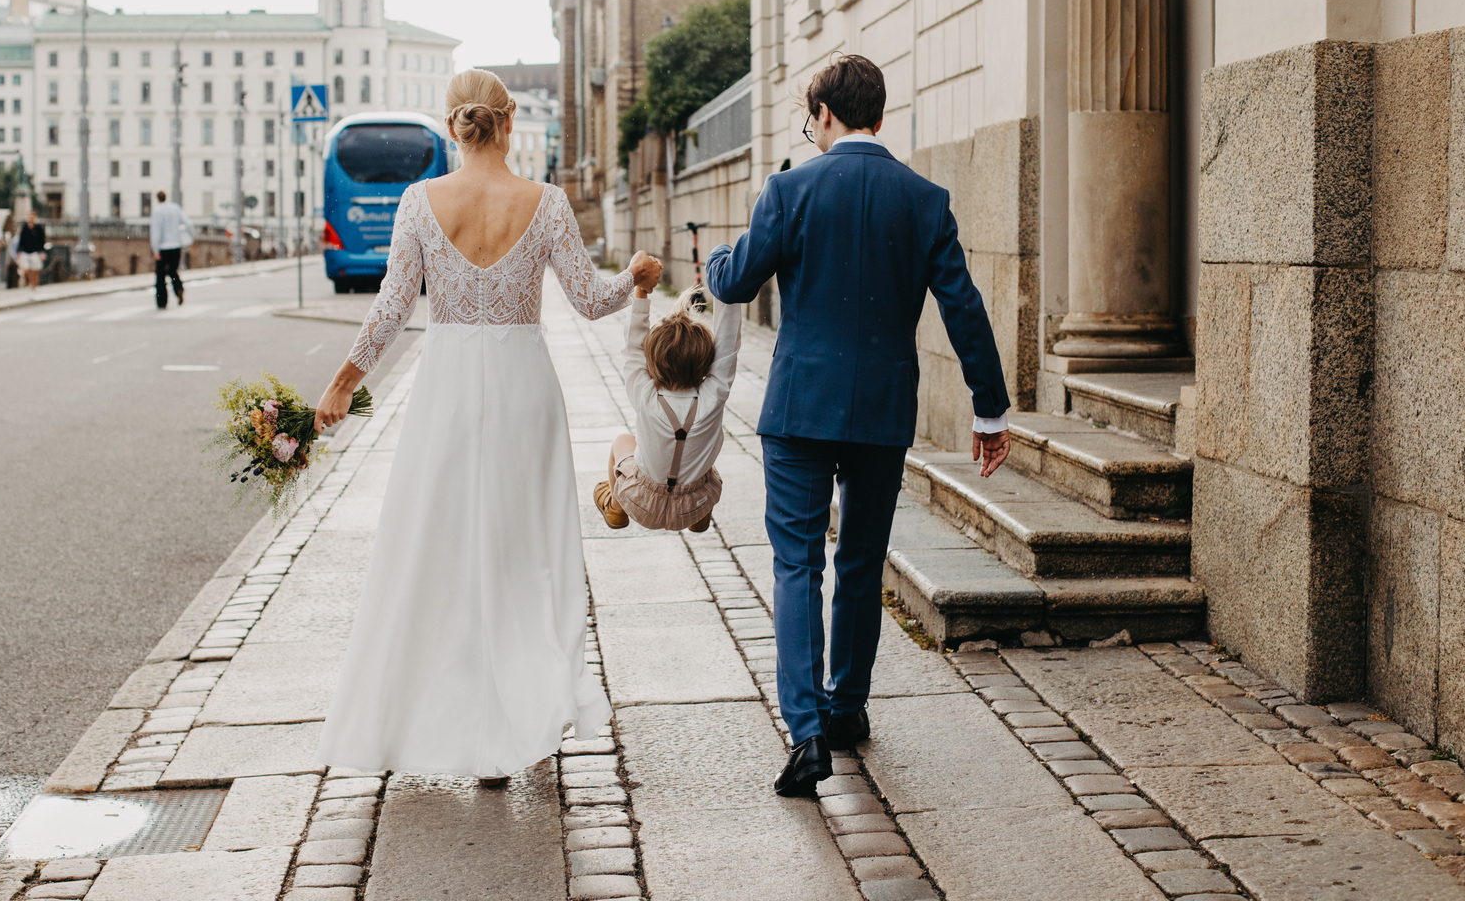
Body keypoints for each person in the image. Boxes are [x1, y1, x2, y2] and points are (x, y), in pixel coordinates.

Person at [311, 68, 659, 785]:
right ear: (507, 125)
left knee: (437, 550)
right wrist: (637, 278)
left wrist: (344, 382)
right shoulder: (548, 202)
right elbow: (592, 302)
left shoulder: (419, 201)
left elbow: (389, 310)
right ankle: (520, 719)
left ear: (452, 127)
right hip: (522, 387)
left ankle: (445, 717)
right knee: (521, 552)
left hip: (446, 388)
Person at [706, 53, 1012, 798]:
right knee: (860, 561)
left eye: (810, 117)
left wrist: (713, 259)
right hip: (880, 409)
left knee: (795, 564)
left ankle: (807, 733)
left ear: (823, 116)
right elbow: (963, 306)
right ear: (878, 113)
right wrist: (989, 407)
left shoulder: (789, 189)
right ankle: (847, 708)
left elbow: (735, 280)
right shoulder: (924, 198)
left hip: (800, 411)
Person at [594, 282, 742, 534]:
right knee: (702, 458)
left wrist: (641, 290)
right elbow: (728, 346)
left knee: (622, 441)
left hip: (640, 502)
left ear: (651, 366)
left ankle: (616, 508)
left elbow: (632, 350)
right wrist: (729, 287)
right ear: (708, 367)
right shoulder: (714, 396)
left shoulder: (645, 395)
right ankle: (699, 518)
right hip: (696, 502)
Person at [148, 190, 194, 309]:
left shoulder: (157, 211)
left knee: (160, 276)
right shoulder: (175, 208)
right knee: (173, 271)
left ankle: (162, 301)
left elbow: (156, 231)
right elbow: (188, 223)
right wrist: (191, 237)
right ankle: (178, 288)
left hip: (163, 247)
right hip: (176, 246)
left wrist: (155, 249)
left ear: (157, 198)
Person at [15, 210, 47, 291]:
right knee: (25, 270)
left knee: (34, 271)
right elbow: (21, 240)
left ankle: (34, 286)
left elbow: (42, 241)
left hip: (35, 252)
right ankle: (29, 283)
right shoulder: (24, 228)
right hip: (25, 252)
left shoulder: (39, 228)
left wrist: (42, 252)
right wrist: (19, 251)